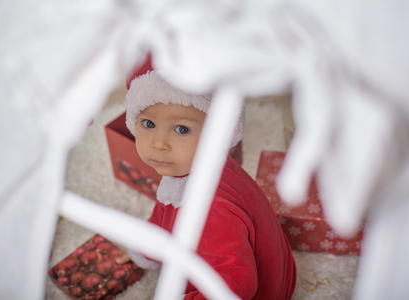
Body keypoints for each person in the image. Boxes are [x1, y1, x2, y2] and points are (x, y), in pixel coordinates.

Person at [124, 68, 296, 300]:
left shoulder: (210, 208)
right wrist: (145, 247)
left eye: (182, 129)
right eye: (148, 124)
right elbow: (166, 211)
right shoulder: (192, 167)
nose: (159, 143)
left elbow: (235, 285)